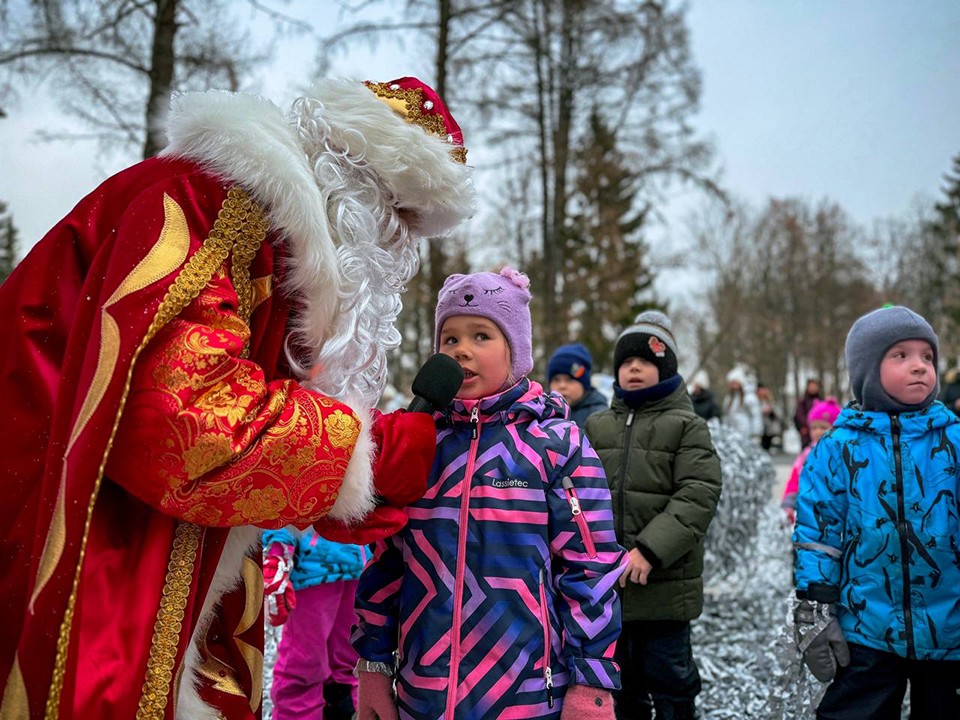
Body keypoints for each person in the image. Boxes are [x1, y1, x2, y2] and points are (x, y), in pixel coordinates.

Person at [0, 76, 475, 718]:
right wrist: (365, 453)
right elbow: (177, 422)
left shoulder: (264, 250)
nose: (397, 248)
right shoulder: (208, 207)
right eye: (396, 217)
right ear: (352, 182)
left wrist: (335, 489)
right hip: (80, 550)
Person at [352, 267, 627, 720]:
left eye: (482, 336)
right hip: (425, 695)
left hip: (527, 695)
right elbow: (386, 564)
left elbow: (590, 568)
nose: (462, 351)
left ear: (516, 350)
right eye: (450, 340)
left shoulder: (557, 444)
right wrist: (374, 666)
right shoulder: (420, 443)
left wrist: (591, 684)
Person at [793, 305, 960, 719]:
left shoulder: (955, 441)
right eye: (900, 355)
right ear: (868, 369)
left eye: (927, 356)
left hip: (950, 627)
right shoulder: (837, 449)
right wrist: (815, 607)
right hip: (866, 626)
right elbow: (819, 535)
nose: (919, 366)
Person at [584, 311, 723, 720]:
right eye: (626, 362)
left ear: (666, 370)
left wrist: (649, 550)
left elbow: (697, 494)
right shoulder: (596, 426)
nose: (634, 369)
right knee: (619, 692)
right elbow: (579, 495)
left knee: (672, 686)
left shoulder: (686, 426)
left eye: (645, 362)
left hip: (664, 590)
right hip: (609, 592)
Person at [262, 530, 366, 720]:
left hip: (360, 566)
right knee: (304, 664)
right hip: (313, 571)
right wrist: (278, 550)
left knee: (351, 665)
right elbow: (284, 507)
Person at [779, 396, 841, 524]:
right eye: (814, 427)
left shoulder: (838, 454)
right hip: (806, 506)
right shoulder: (806, 455)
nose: (818, 432)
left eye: (823, 427)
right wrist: (788, 502)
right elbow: (794, 480)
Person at [547, 342, 609, 426]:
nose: (562, 386)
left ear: (584, 385)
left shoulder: (599, 418)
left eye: (569, 380)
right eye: (556, 380)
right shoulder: (541, 414)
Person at [722, 367, 763, 442]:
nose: (733, 384)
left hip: (747, 433)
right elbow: (726, 416)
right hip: (732, 433)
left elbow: (756, 415)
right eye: (732, 382)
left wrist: (756, 434)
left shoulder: (749, 397)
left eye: (735, 382)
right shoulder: (729, 398)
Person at [793, 377, 822, 448]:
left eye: (814, 386)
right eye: (811, 386)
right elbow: (798, 416)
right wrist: (803, 427)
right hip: (807, 432)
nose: (813, 388)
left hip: (819, 430)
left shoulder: (821, 401)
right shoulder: (803, 402)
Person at [756, 383, 783, 452]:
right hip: (760, 430)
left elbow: (779, 414)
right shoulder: (755, 402)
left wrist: (771, 410)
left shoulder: (771, 401)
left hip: (770, 431)